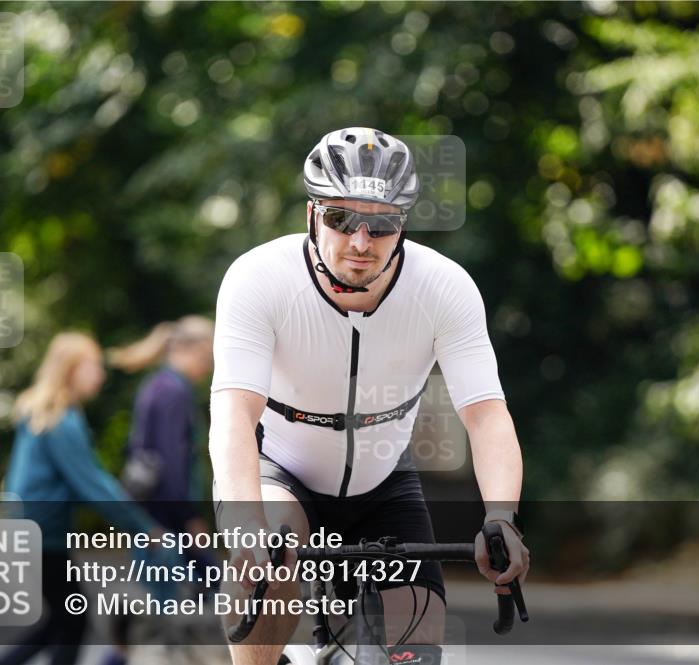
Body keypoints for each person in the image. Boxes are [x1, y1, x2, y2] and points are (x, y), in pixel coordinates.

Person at [209, 127, 529, 665]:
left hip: (383, 482)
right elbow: (234, 413)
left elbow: (487, 416)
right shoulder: (259, 278)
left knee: (416, 654)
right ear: (312, 214)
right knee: (268, 573)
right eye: (340, 219)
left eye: (380, 225)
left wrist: (501, 518)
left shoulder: (443, 287)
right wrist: (246, 527)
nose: (360, 242)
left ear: (401, 225)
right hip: (280, 469)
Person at [0, 332, 162, 665]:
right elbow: (92, 484)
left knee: (62, 619)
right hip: (40, 535)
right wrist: (143, 527)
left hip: (33, 532)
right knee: (72, 618)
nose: (99, 374)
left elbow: (73, 484)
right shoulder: (60, 420)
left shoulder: (45, 412)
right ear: (71, 369)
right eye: (92, 366)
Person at [101, 316, 217, 665]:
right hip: (165, 522)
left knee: (158, 609)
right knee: (164, 613)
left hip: (151, 518)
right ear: (189, 350)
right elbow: (171, 463)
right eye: (207, 358)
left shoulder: (156, 385)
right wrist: (192, 519)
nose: (209, 367)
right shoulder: (173, 391)